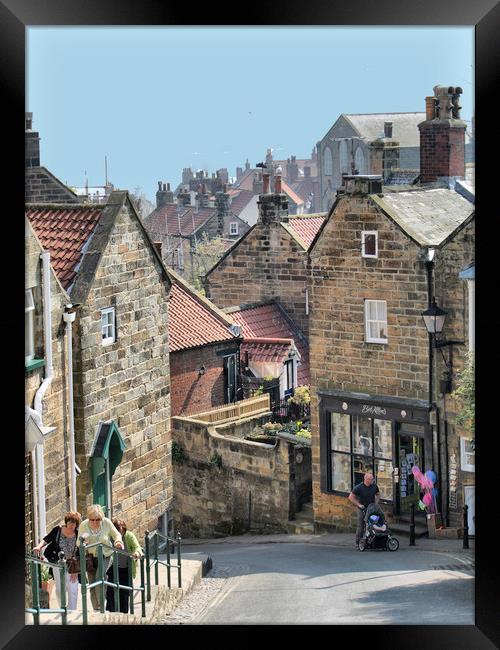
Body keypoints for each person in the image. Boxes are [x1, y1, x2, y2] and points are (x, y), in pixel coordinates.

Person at [77, 504, 124, 611]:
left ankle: (102, 604)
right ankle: (96, 608)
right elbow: (78, 543)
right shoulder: (84, 525)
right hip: (90, 558)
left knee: (100, 576)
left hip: (105, 555)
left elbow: (117, 535)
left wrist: (118, 542)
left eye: (97, 519)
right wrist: (83, 541)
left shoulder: (106, 522)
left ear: (101, 518)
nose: (95, 522)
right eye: (92, 519)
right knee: (92, 584)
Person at [33, 511, 82, 610]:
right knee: (60, 589)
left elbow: (81, 552)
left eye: (74, 523)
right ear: (66, 522)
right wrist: (38, 546)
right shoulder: (58, 530)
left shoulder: (78, 534)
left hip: (72, 563)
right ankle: (63, 607)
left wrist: (76, 570)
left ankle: (72, 611)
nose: (72, 525)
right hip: (57, 563)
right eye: (70, 522)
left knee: (73, 586)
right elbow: (46, 539)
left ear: (77, 524)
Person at [105, 518, 143, 613]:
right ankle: (111, 614)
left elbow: (136, 547)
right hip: (112, 568)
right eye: (118, 529)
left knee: (125, 593)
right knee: (110, 592)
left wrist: (137, 553)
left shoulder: (129, 536)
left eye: (123, 529)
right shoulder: (109, 537)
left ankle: (124, 614)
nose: (121, 531)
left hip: (126, 569)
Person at [348, 472, 380, 546]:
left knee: (372, 525)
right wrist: (359, 504)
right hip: (362, 509)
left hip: (371, 509)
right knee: (361, 527)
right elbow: (351, 497)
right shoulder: (359, 487)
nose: (373, 480)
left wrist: (376, 502)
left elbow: (378, 494)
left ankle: (371, 542)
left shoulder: (374, 486)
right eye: (372, 479)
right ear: (367, 480)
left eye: (373, 479)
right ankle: (358, 543)